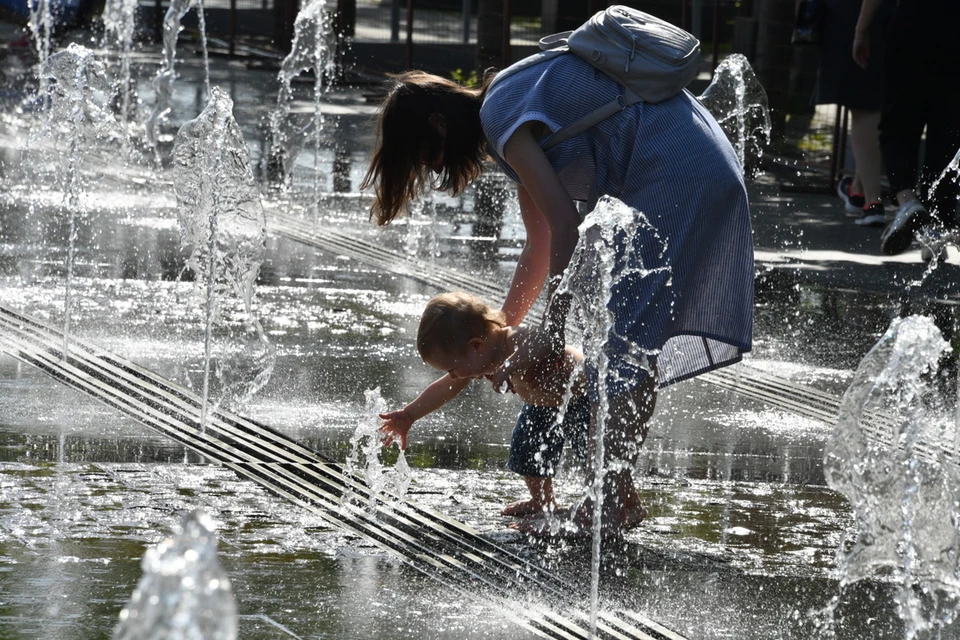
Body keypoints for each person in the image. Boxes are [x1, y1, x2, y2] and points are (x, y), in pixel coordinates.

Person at [362, 49, 754, 537]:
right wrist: (500, 323)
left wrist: (551, 324)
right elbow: (541, 240)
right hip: (682, 158)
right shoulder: (506, 115)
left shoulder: (501, 117)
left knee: (624, 351)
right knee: (625, 345)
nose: (438, 170)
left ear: (439, 124)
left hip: (676, 168)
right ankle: (615, 500)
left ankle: (609, 504)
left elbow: (567, 225)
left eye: (428, 156)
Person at [380, 291, 648, 524]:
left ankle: (629, 504)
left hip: (582, 401)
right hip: (541, 407)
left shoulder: (514, 338)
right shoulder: (477, 360)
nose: (455, 375)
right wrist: (409, 414)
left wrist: (510, 366)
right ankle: (542, 500)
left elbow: (544, 340)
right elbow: (445, 388)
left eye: (453, 368)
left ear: (475, 346)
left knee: (600, 459)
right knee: (526, 452)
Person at [853, 0, 960, 257]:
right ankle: (937, 225)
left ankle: (907, 200)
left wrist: (861, 29)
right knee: (947, 129)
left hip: (912, 22)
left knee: (899, 123)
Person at [812, 0, 891, 227]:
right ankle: (859, 190)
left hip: (859, 17)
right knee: (871, 106)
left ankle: (872, 201)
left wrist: (860, 30)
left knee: (864, 108)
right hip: (884, 17)